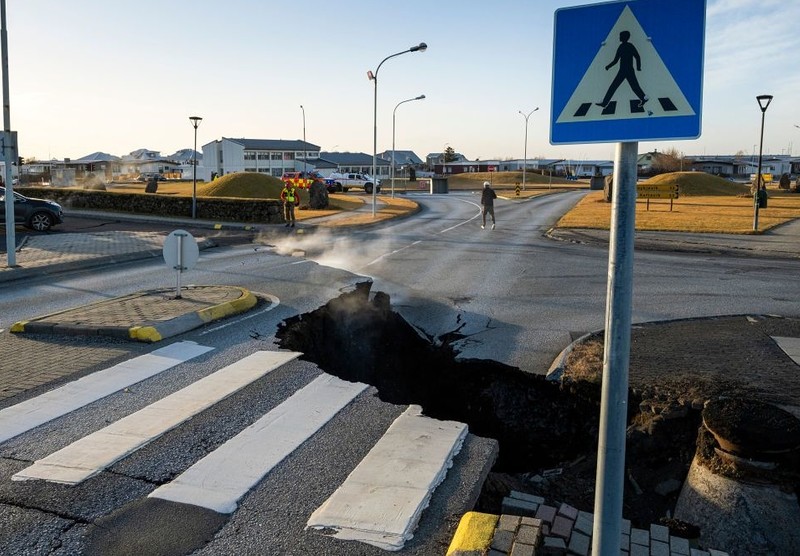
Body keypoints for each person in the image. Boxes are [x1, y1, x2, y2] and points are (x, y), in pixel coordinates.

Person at [596, 30, 647, 109]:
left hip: (628, 70)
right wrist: (608, 66)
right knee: (615, 86)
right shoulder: (622, 47)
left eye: (620, 36)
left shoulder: (629, 46)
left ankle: (643, 98)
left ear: (624, 37)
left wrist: (638, 67)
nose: (619, 37)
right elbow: (616, 60)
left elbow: (637, 56)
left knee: (633, 87)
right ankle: (604, 103)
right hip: (623, 71)